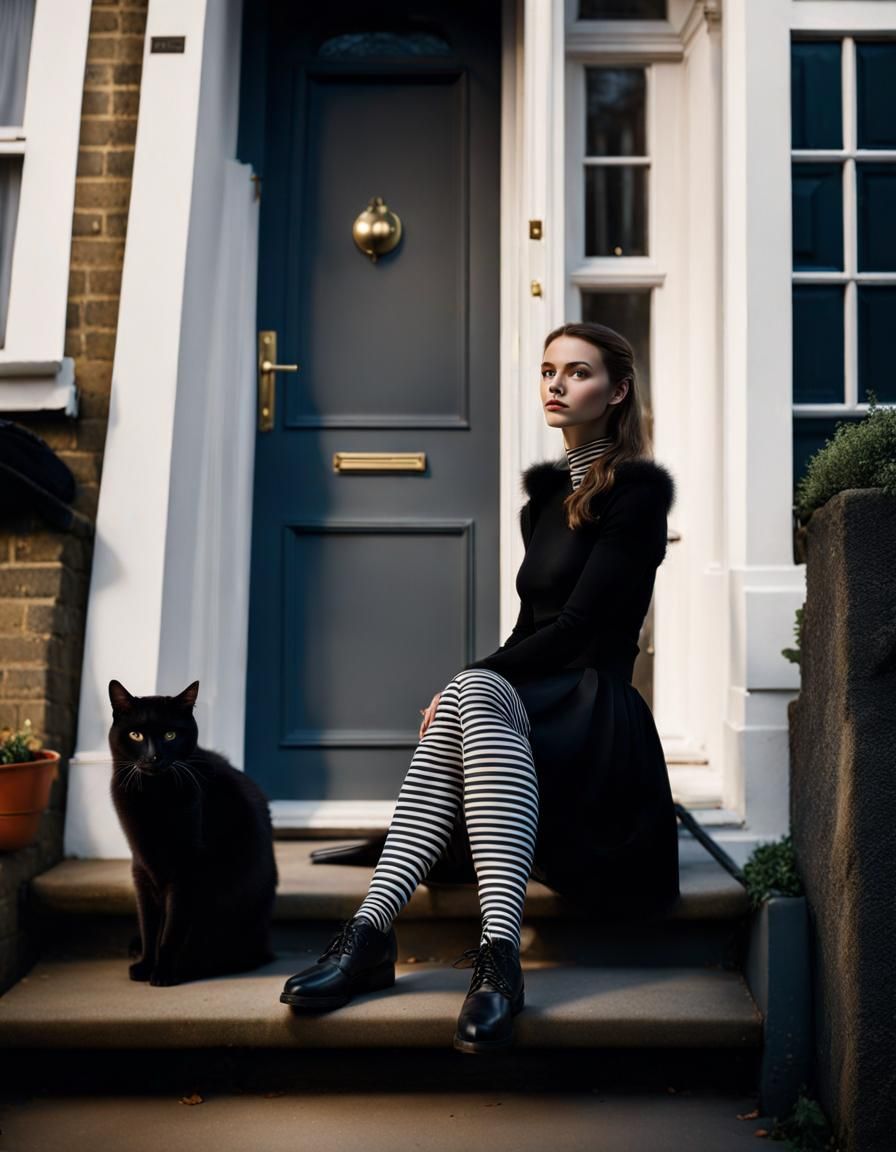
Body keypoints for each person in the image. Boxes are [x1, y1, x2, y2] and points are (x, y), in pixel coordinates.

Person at [280, 321, 680, 1054]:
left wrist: (470, 680)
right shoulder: (544, 500)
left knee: (468, 690)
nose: (557, 385)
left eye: (579, 373)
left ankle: (487, 955)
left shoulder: (637, 495)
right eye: (548, 370)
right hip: (539, 711)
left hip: (598, 717)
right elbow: (532, 630)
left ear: (618, 391)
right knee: (469, 694)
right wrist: (475, 682)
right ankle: (382, 935)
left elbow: (581, 628)